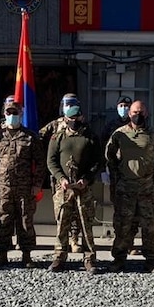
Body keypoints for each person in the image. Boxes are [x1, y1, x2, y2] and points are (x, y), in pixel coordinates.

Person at [105, 99, 154, 272]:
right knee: (123, 226)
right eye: (134, 112)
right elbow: (109, 155)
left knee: (149, 227)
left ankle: (151, 261)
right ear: (129, 114)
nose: (138, 115)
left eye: (141, 112)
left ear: (146, 114)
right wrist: (117, 173)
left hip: (146, 189)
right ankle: (119, 259)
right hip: (125, 189)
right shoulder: (119, 134)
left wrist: (152, 170)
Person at [46, 94, 102, 273]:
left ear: (82, 117)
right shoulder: (58, 137)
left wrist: (87, 178)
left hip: (83, 188)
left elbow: (98, 161)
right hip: (64, 188)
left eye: (77, 117)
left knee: (86, 224)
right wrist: (61, 178)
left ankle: (89, 258)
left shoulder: (91, 137)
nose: (74, 120)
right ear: (65, 118)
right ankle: (59, 257)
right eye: (71, 118)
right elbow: (51, 161)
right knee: (62, 223)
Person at [0, 97, 44, 267]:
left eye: (15, 112)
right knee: (4, 220)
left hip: (25, 188)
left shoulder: (30, 137)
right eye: (8, 112)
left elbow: (40, 162)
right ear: (4, 114)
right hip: (4, 187)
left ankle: (26, 255)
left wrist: (37, 184)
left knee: (25, 221)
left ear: (21, 113)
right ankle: (2, 254)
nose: (12, 115)